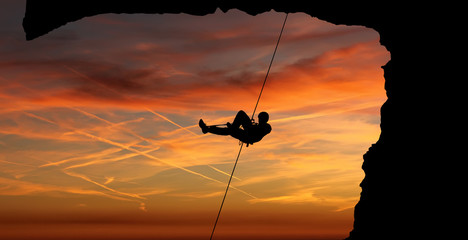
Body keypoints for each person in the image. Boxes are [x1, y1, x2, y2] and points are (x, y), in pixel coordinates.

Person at [199, 110, 272, 145]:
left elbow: (258, 131)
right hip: (246, 135)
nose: (259, 120)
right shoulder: (261, 126)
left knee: (241, 114)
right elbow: (255, 129)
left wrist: (252, 125)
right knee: (229, 131)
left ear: (264, 119)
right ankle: (207, 129)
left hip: (248, 136)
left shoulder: (267, 127)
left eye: (260, 118)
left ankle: (207, 129)